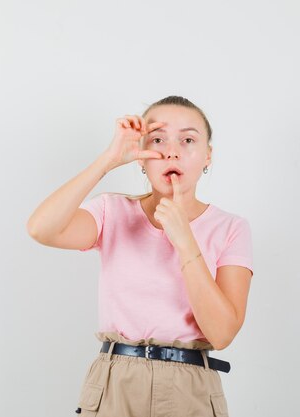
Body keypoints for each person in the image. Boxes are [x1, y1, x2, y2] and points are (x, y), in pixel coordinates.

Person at [26, 95, 253, 417]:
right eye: (157, 140)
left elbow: (222, 333)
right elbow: (41, 229)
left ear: (207, 156)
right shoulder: (112, 211)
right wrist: (108, 159)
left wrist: (186, 242)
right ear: (141, 158)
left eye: (188, 139)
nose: (172, 151)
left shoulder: (231, 228)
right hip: (116, 379)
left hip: (191, 387)